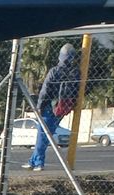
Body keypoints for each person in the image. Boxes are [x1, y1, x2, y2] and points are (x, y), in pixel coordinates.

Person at [26, 43, 79, 171]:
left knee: (43, 135)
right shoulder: (76, 72)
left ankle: (38, 163)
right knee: (45, 135)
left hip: (49, 107)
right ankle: (32, 161)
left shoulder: (54, 71)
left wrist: (38, 106)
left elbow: (45, 90)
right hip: (62, 108)